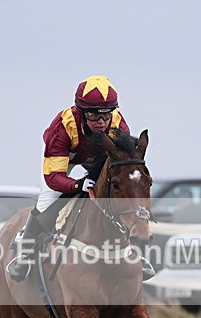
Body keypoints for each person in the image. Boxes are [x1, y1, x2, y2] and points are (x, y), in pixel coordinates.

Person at [8, 75, 154, 282]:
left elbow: (123, 162)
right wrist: (77, 184)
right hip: (67, 156)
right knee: (47, 200)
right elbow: (54, 177)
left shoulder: (118, 123)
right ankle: (25, 249)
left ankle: (135, 252)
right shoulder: (63, 126)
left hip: (100, 156)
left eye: (106, 115)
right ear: (82, 113)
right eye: (94, 117)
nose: (102, 122)